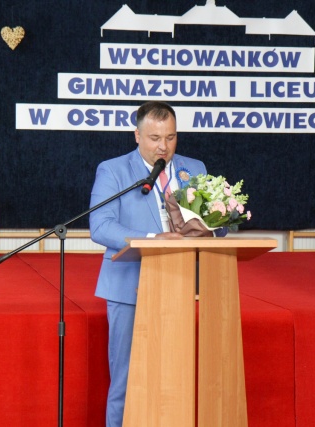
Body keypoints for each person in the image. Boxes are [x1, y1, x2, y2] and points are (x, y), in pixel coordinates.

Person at [89, 101, 220, 427]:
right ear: (137, 135)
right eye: (155, 138)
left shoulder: (195, 168)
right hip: (129, 286)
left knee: (174, 376)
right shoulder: (113, 170)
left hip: (182, 285)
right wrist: (153, 238)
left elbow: (218, 223)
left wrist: (215, 225)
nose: (164, 146)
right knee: (127, 379)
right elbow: (101, 226)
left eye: (171, 137)